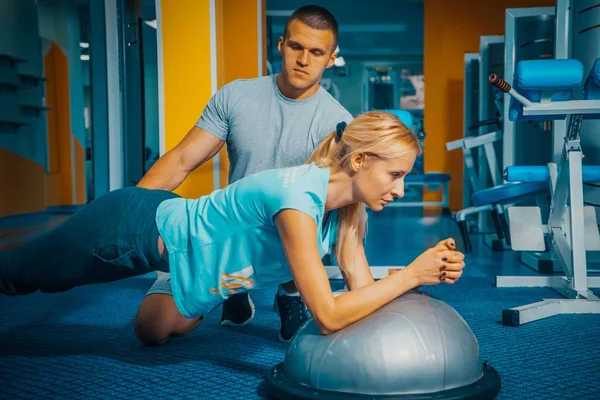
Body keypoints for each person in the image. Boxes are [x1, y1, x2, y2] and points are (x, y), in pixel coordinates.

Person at [0, 111, 465, 346]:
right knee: (18, 275)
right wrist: (410, 275)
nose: (401, 190)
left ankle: (196, 281)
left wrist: (425, 275)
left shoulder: (346, 210)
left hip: (183, 241)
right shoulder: (296, 201)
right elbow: (329, 315)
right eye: (396, 175)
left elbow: (361, 293)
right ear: (360, 161)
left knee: (153, 334)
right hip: (127, 229)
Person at [135, 5, 353, 343]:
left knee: (300, 225)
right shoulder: (237, 96)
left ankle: (290, 294)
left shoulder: (336, 123)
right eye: (296, 47)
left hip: (287, 244)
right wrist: (133, 210)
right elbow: (180, 160)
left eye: (316, 52)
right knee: (152, 329)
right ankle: (231, 288)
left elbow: (340, 208)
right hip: (228, 233)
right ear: (281, 44)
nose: (304, 60)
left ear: (331, 58)